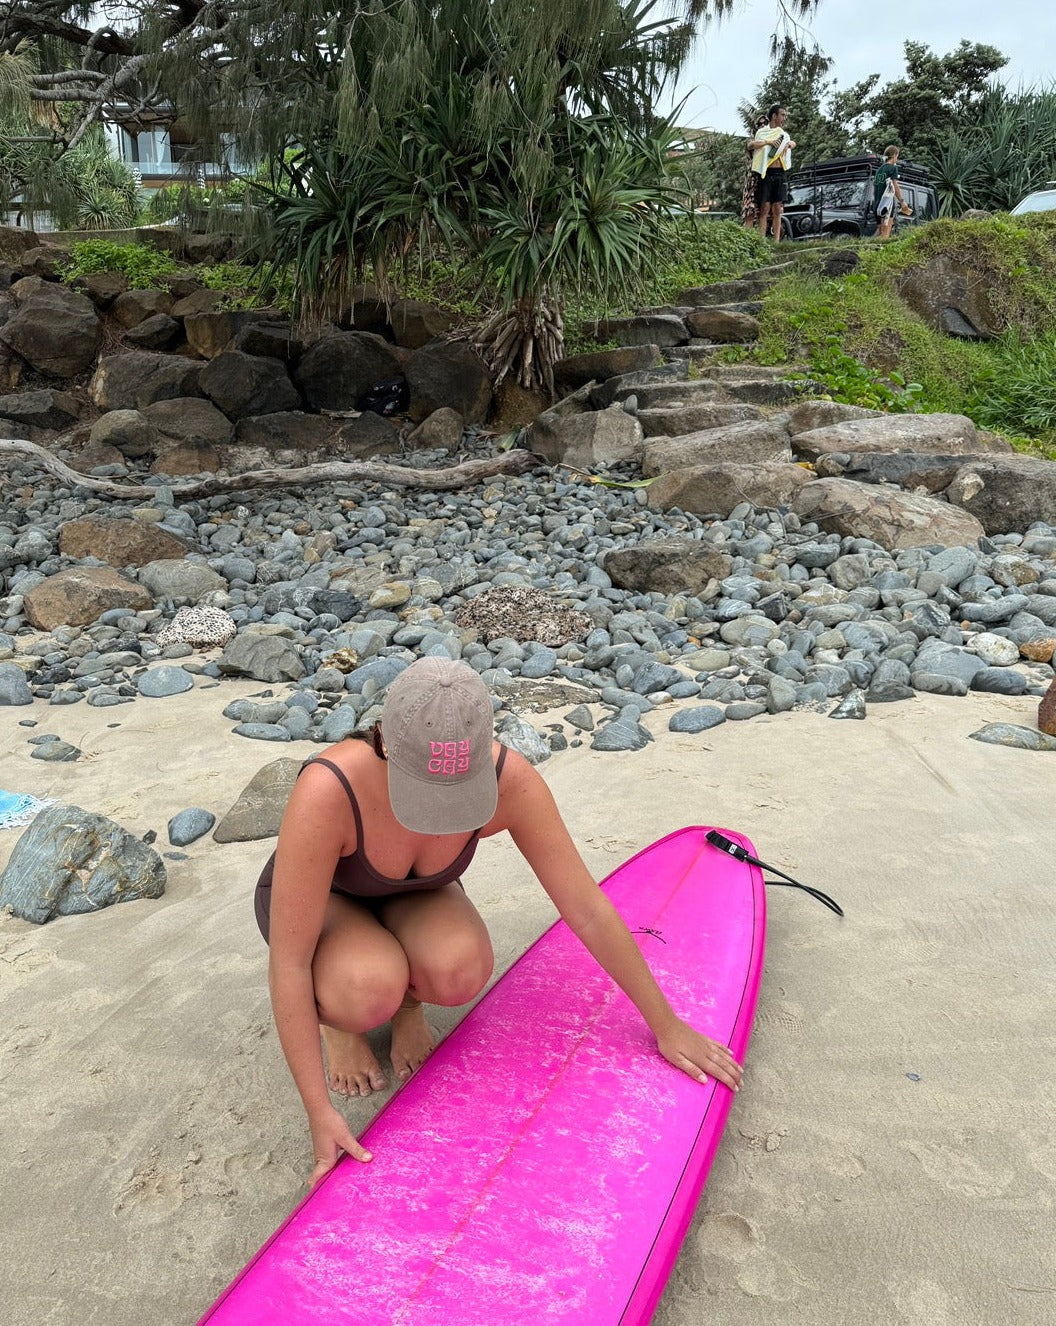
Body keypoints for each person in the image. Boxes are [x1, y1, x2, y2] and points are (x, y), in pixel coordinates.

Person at [255, 656, 743, 1186]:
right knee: (366, 988)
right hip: (325, 901)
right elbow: (290, 961)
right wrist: (318, 1110)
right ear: (387, 744)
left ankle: (409, 1007)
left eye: (456, 799)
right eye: (426, 796)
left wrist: (666, 1025)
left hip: (414, 894)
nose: (442, 815)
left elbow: (586, 908)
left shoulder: (510, 780)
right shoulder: (329, 788)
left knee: (461, 970)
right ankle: (340, 1028)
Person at [749, 104, 795, 242]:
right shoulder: (762, 133)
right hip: (766, 173)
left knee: (777, 208)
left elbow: (791, 143)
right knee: (764, 207)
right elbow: (752, 145)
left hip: (780, 173)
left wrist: (789, 145)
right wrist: (768, 142)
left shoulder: (784, 135)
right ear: (774, 116)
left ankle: (776, 241)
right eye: (782, 115)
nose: (784, 118)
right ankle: (762, 240)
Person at [873, 145, 913, 240]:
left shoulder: (878, 170)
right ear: (894, 155)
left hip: (877, 205)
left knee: (880, 234)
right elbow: (895, 186)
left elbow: (875, 188)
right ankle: (883, 253)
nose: (897, 159)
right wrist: (902, 201)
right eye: (897, 156)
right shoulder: (892, 168)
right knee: (885, 236)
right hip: (886, 205)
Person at [741, 114, 770, 229]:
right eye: (760, 124)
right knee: (750, 211)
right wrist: (768, 141)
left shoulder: (773, 140)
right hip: (753, 179)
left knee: (765, 211)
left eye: (765, 123)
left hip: (767, 176)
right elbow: (752, 145)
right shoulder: (752, 140)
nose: (762, 126)